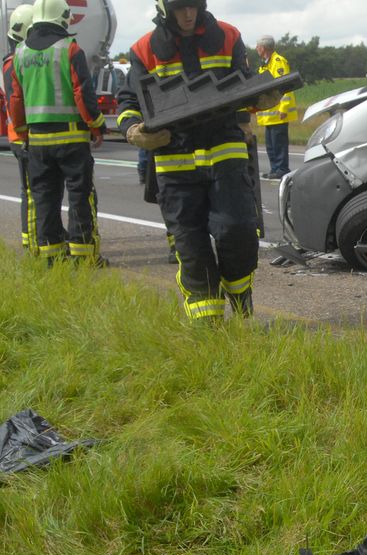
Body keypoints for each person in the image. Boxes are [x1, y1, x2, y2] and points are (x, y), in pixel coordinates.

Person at [115, 0, 275, 320]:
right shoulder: (144, 49)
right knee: (191, 246)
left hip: (224, 153)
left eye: (193, 6)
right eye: (180, 9)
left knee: (238, 230)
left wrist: (264, 95)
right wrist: (132, 130)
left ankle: (240, 293)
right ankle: (207, 326)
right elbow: (130, 100)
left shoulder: (228, 37)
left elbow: (243, 85)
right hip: (175, 162)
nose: (188, 15)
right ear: (164, 9)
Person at [7, 0, 106, 265]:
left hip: (37, 141)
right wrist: (97, 126)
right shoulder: (70, 49)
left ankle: (52, 257)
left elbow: (15, 100)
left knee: (45, 200)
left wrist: (22, 132)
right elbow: (82, 93)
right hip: (72, 138)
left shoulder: (20, 53)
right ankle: (84, 257)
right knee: (80, 197)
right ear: (64, 19)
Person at [2, 4, 34, 251]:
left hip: (19, 136)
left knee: (33, 191)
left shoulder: (11, 62)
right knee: (32, 192)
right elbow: (15, 103)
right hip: (23, 138)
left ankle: (33, 234)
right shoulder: (15, 63)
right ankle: (30, 235)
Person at [254, 34, 296, 180]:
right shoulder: (265, 63)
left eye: (258, 46)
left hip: (278, 113)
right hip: (269, 115)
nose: (256, 49)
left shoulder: (278, 62)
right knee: (271, 146)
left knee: (279, 144)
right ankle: (275, 169)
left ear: (263, 48)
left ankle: (282, 169)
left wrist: (284, 108)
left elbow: (284, 87)